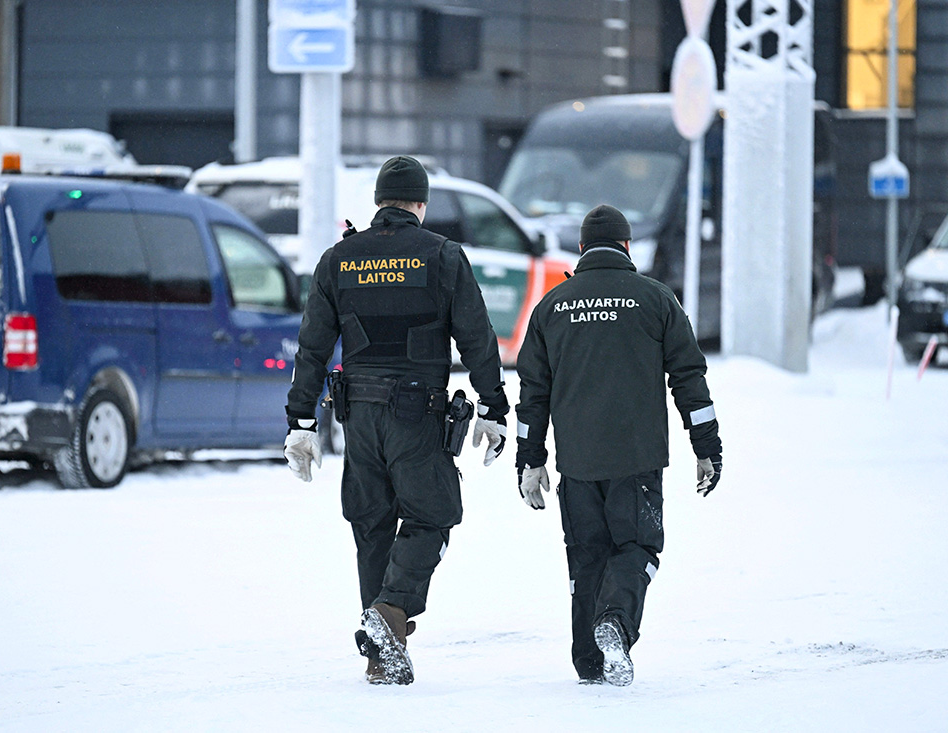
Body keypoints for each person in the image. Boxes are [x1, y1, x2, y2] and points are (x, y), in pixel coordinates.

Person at [283, 155, 509, 685]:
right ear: (421, 205)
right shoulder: (442, 256)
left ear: (380, 202)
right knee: (432, 514)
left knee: (372, 523)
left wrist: (301, 420)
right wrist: (494, 406)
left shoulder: (339, 259)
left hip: (356, 415)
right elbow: (477, 337)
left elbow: (312, 347)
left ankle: (382, 656)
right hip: (416, 414)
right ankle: (387, 618)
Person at [514, 204, 723, 686]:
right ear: (627, 247)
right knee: (637, 547)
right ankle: (615, 623)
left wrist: (530, 460)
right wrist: (706, 446)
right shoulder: (656, 299)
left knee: (587, 556)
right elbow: (689, 378)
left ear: (582, 250)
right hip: (637, 460)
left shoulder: (552, 306)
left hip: (577, 464)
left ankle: (590, 660)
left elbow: (532, 393)